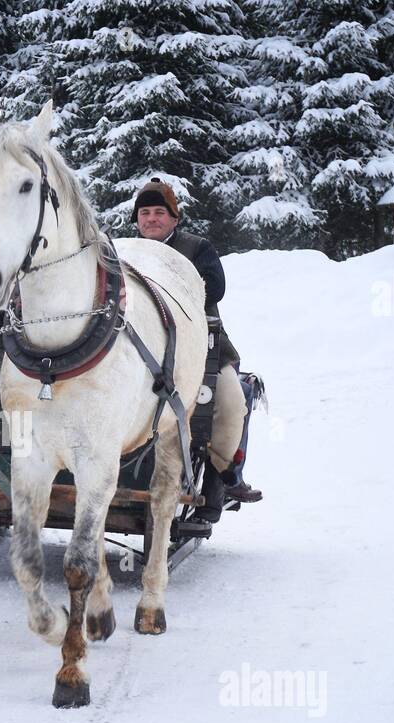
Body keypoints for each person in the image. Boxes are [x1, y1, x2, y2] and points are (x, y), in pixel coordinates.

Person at [132, 177, 262, 521]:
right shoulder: (126, 251)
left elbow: (214, 290)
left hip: (201, 348)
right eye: (145, 213)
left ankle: (224, 478)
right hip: (136, 349)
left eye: (160, 212)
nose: (151, 219)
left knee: (231, 401)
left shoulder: (197, 248)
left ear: (175, 218)